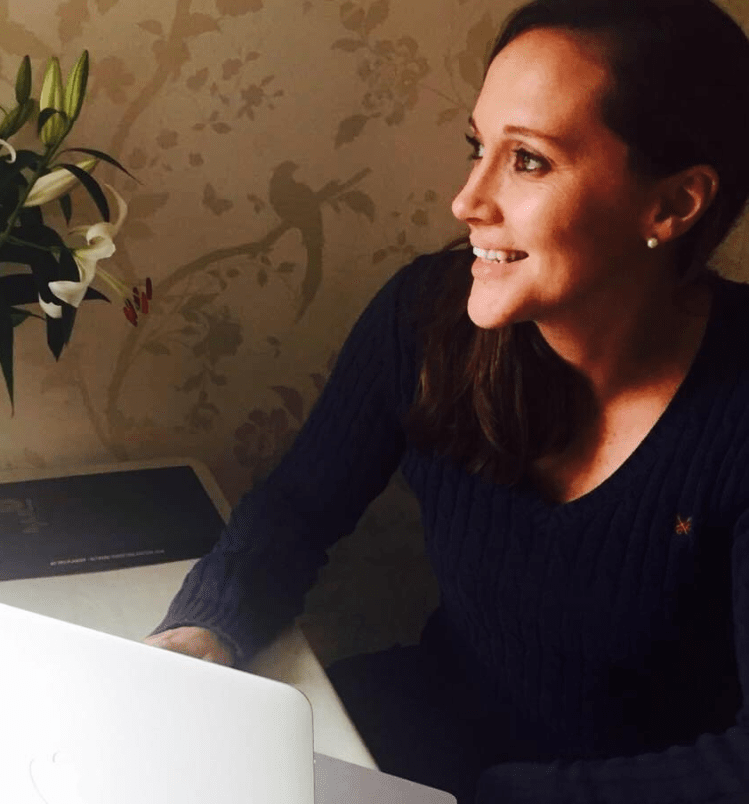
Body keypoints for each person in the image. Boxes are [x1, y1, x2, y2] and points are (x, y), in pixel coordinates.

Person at [145, 0, 749, 801]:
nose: (467, 201)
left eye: (527, 160)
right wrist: (205, 629)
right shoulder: (425, 317)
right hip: (429, 738)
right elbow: (297, 508)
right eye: (477, 147)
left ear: (671, 205)